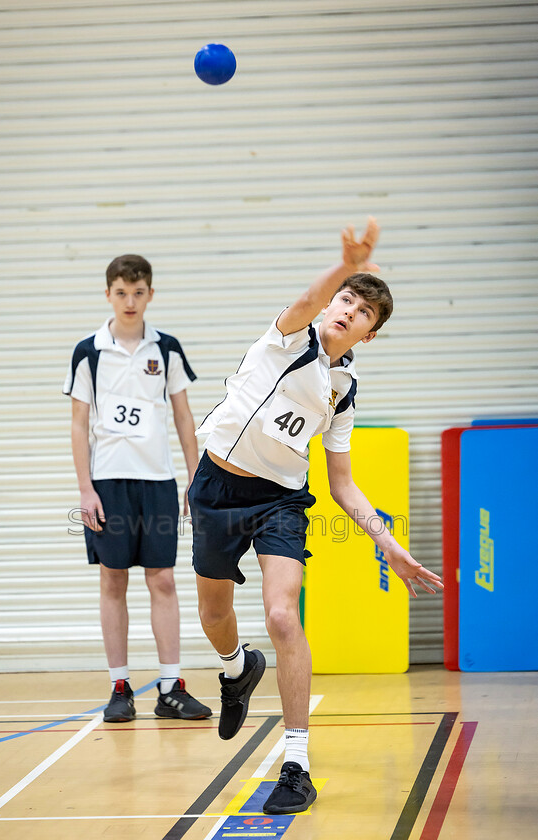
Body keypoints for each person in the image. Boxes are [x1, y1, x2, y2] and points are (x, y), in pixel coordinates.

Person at [188, 218, 444, 815]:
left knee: (282, 612)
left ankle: (296, 764)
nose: (347, 312)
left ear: (370, 335)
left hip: (280, 500)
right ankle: (237, 669)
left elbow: (343, 485)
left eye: (360, 313)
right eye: (345, 300)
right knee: (214, 614)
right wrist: (346, 262)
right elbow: (305, 300)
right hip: (216, 487)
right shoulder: (286, 338)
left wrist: (388, 543)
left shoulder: (345, 389)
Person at [63, 254, 211, 723]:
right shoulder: (89, 351)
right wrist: (85, 488)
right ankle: (120, 686)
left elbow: (184, 416)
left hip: (158, 483)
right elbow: (78, 423)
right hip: (108, 483)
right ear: (108, 294)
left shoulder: (165, 348)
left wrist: (194, 478)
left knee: (163, 579)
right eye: (122, 292)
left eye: (139, 292)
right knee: (113, 578)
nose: (130, 301)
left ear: (151, 294)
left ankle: (170, 687)